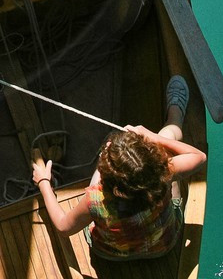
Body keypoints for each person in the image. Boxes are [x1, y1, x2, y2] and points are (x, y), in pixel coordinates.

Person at [31, 76, 206, 260]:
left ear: (113, 181)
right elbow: (199, 157)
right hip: (163, 245)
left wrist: (44, 182)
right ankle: (175, 115)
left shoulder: (95, 201)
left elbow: (63, 227)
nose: (107, 146)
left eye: (106, 152)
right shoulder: (162, 173)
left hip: (111, 254)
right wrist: (152, 136)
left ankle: (173, 118)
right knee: (168, 137)